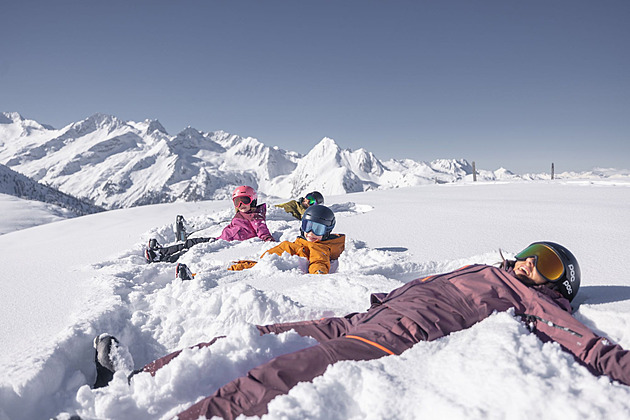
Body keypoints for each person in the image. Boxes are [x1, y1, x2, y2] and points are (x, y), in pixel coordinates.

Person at [94, 241, 630, 420]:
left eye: (552, 268)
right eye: (536, 255)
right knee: (249, 337)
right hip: (359, 318)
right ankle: (137, 377)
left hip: (393, 338)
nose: (535, 267)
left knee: (274, 374)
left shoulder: (531, 301)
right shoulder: (485, 268)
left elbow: (595, 351)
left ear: (562, 288)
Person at [144, 186, 275, 263]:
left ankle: (162, 259)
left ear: (253, 201)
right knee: (190, 243)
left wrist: (269, 241)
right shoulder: (243, 213)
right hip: (219, 240)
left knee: (191, 251)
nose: (240, 205)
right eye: (237, 202)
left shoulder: (255, 217)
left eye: (244, 201)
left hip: (225, 245)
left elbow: (262, 230)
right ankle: (160, 252)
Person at [228, 204, 344, 274]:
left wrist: (319, 272)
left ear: (327, 231)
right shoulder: (303, 241)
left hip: (270, 268)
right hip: (266, 262)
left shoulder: (318, 247)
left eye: (318, 229)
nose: (310, 233)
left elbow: (319, 262)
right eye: (307, 227)